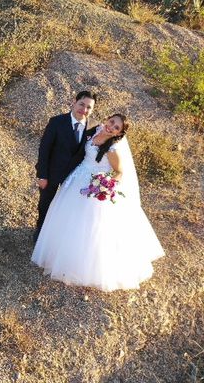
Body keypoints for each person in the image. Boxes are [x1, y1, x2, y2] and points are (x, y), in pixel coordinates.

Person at [31, 114, 165, 291]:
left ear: (119, 133)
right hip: (77, 178)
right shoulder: (95, 131)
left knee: (90, 224)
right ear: (107, 120)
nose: (111, 127)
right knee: (68, 216)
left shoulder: (113, 149)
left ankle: (85, 265)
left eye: (116, 127)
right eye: (111, 122)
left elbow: (119, 171)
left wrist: (105, 185)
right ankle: (61, 252)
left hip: (95, 185)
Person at [34, 91, 97, 243]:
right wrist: (42, 175)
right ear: (74, 102)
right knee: (45, 204)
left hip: (75, 176)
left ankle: (59, 236)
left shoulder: (93, 128)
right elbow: (44, 149)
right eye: (82, 104)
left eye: (89, 107)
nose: (84, 109)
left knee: (67, 208)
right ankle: (40, 233)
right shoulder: (56, 122)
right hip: (52, 173)